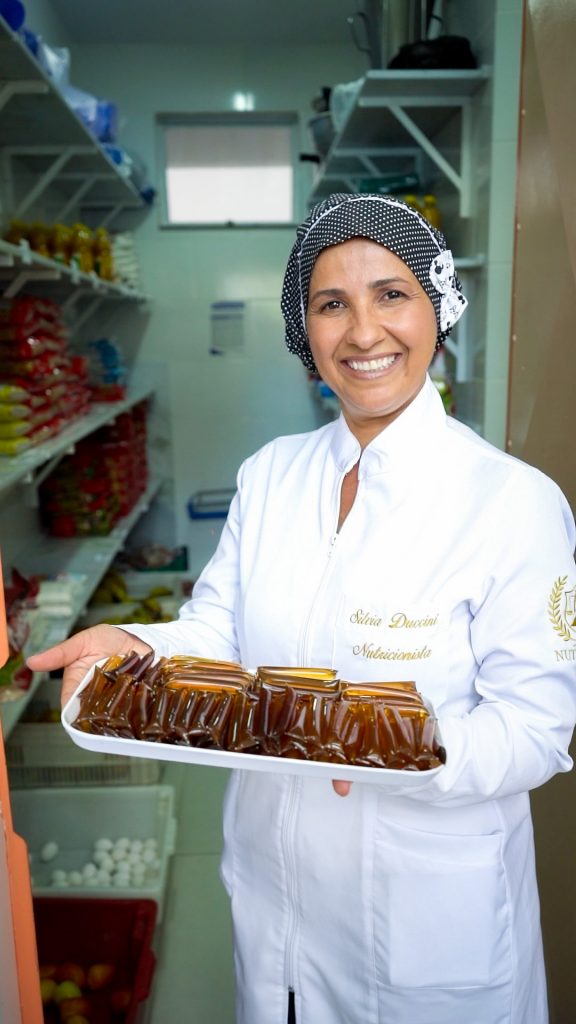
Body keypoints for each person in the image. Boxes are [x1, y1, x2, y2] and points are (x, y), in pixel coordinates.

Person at [28, 193, 576, 1024]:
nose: (363, 331)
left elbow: (536, 729)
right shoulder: (272, 475)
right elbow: (219, 629)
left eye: (391, 294)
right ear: (303, 329)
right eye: (331, 304)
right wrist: (133, 644)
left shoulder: (511, 502)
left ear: (437, 306)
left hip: (428, 923)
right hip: (278, 909)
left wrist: (397, 747)